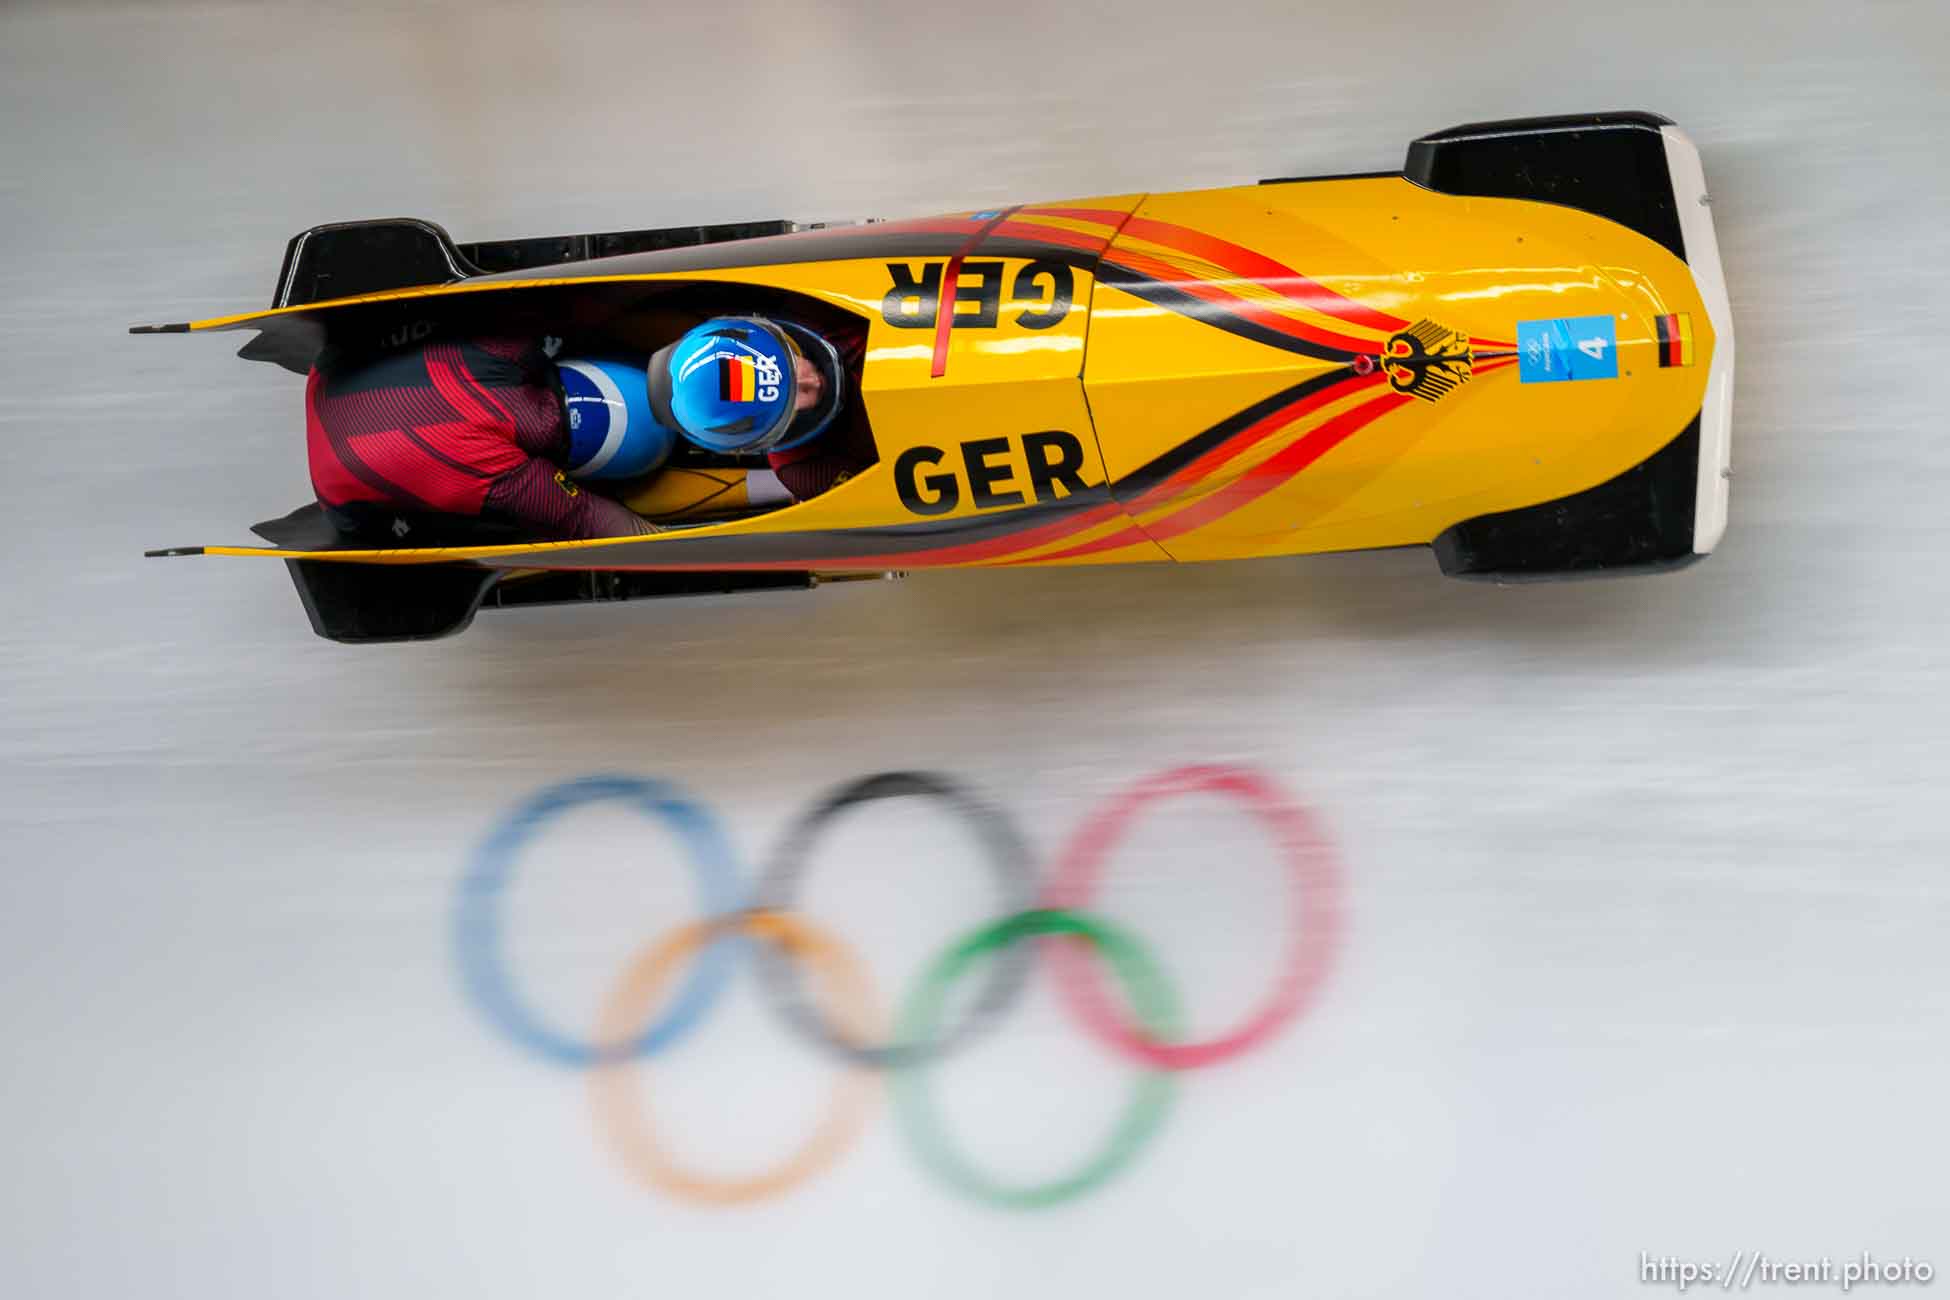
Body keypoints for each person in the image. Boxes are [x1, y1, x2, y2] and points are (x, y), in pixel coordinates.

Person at [303, 313, 868, 543]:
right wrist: (672, 549)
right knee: (602, 491)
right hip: (355, 499)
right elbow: (577, 511)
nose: (811, 378)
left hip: (363, 377)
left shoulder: (497, 353)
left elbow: (571, 309)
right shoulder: (486, 466)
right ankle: (760, 494)